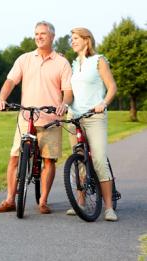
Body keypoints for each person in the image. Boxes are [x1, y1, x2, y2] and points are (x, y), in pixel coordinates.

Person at [0, 21, 73, 214]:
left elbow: (68, 90)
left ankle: (43, 201)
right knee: (14, 158)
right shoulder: (25, 59)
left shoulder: (62, 62)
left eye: (43, 34)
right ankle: (10, 200)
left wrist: (64, 104)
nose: (39, 37)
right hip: (26, 117)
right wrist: (2, 98)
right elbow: (10, 81)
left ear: (52, 37)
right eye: (36, 33)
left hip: (51, 119)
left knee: (48, 160)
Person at [66, 27, 118, 221]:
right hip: (75, 117)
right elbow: (70, 92)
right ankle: (80, 202)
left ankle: (109, 208)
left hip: (95, 116)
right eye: (72, 38)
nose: (73, 41)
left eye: (76, 38)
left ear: (87, 40)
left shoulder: (99, 61)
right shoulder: (72, 64)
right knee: (79, 159)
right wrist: (64, 105)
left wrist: (103, 103)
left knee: (98, 160)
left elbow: (112, 87)